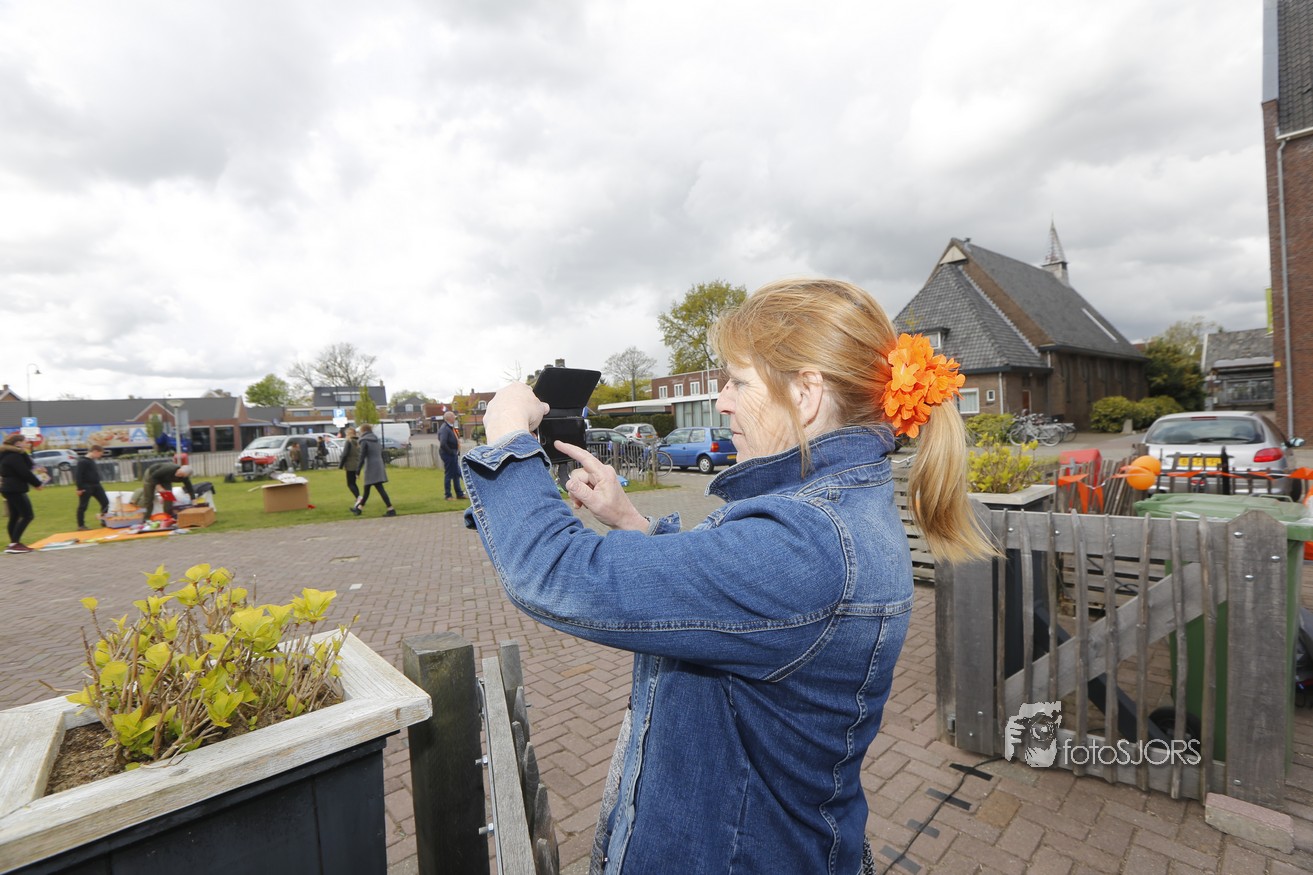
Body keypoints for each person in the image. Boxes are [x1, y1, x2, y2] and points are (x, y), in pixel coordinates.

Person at [461, 278, 993, 875]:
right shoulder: (831, 510)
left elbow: (555, 570)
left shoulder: (804, 544)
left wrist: (507, 434)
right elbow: (727, 599)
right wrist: (630, 520)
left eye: (738, 381)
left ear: (806, 393)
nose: (722, 401)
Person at [1, 433, 44, 554]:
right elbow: (25, 472)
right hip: (14, 489)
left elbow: (30, 466)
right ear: (18, 443)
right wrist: (37, 484)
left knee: (15, 516)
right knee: (27, 515)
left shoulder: (10, 454)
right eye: (25, 441)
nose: (27, 443)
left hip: (9, 488)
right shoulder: (14, 456)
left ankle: (13, 543)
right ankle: (14, 544)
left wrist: (39, 469)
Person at [351, 424, 396, 517]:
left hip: (371, 466)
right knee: (367, 488)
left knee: (378, 488)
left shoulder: (364, 441)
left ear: (363, 431)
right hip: (378, 465)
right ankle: (359, 508)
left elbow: (362, 456)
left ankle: (391, 509)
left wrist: (358, 470)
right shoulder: (375, 439)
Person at [74, 444, 110, 530]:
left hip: (96, 485)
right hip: (86, 486)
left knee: (105, 502)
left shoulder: (92, 461)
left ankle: (104, 520)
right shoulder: (82, 461)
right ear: (95, 451)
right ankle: (81, 525)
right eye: (99, 454)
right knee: (83, 506)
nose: (99, 456)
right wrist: (79, 488)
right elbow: (78, 475)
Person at [438, 411, 465, 501]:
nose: (455, 418)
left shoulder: (450, 427)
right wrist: (451, 452)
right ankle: (448, 495)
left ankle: (459, 494)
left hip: (453, 454)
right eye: (453, 417)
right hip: (448, 455)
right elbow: (443, 443)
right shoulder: (445, 429)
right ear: (449, 418)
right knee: (449, 474)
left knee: (456, 474)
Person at [340, 426, 362, 505]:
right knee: (354, 482)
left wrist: (341, 464)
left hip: (350, 465)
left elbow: (345, 454)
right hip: (357, 464)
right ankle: (358, 497)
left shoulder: (349, 441)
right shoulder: (358, 441)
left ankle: (359, 497)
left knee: (350, 483)